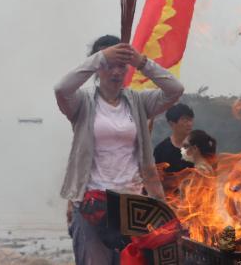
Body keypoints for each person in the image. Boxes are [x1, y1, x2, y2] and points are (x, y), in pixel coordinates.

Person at [54, 35, 183, 265]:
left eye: (120, 65)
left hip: (134, 206)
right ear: (96, 68)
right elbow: (61, 88)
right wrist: (101, 57)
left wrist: (141, 61)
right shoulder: (82, 103)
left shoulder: (138, 102)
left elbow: (175, 90)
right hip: (92, 204)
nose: (115, 72)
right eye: (108, 66)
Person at [154, 103, 195, 173]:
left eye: (190, 120)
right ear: (171, 123)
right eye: (185, 120)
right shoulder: (161, 150)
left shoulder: (199, 146)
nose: (189, 124)